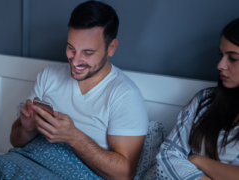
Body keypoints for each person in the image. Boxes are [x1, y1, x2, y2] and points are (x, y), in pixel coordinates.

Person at [10, 1, 149, 179]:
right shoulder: (48, 75)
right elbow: (14, 140)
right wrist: (28, 129)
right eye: (71, 48)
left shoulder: (125, 95)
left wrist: (73, 137)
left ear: (111, 48)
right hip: (20, 164)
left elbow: (125, 174)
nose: (75, 61)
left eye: (88, 53)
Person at [146, 18, 239, 180]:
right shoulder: (205, 101)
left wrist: (198, 160)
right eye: (221, 55)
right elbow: (167, 157)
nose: (220, 65)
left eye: (233, 58)